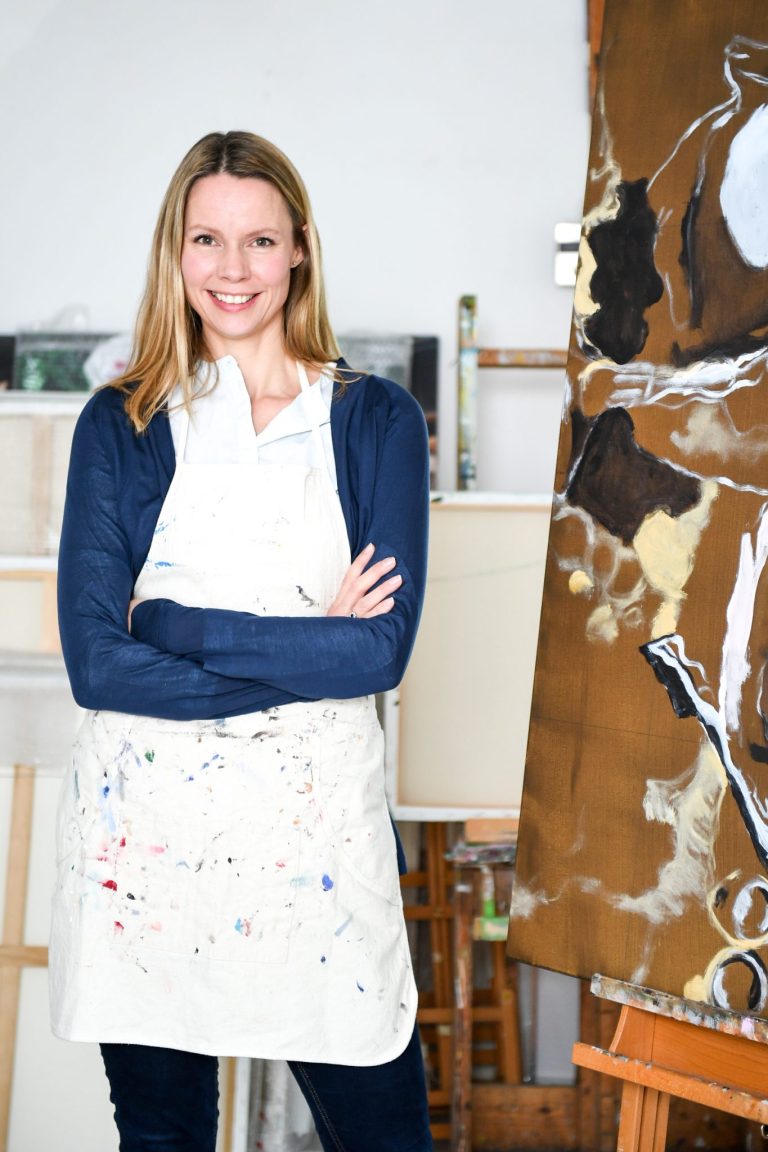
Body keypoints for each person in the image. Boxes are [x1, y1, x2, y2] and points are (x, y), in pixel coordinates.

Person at [51, 130, 432, 1152]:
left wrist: (174, 629)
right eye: (207, 239)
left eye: (259, 240)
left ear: (299, 248)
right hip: (148, 857)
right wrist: (312, 653)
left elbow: (380, 653)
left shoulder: (375, 422)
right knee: (163, 1139)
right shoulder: (121, 424)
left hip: (318, 854)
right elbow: (98, 666)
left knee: (386, 1140)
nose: (233, 269)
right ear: (174, 251)